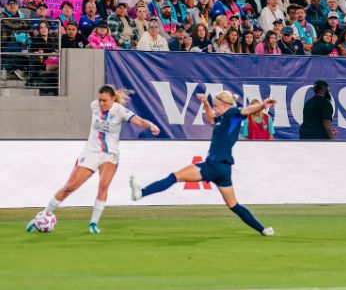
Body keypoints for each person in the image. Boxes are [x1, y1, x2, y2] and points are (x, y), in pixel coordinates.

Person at [130, 92, 276, 237]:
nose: (214, 108)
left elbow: (246, 110)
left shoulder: (233, 113)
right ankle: (263, 230)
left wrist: (263, 105)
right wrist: (205, 104)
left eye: (216, 106)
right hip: (223, 169)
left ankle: (141, 193)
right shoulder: (223, 118)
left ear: (225, 105)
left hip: (214, 165)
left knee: (175, 176)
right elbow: (211, 119)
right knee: (234, 205)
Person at [26, 85, 160, 234]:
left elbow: (139, 121)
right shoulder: (94, 106)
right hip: (91, 152)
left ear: (113, 99)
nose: (101, 103)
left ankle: (93, 224)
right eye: (100, 100)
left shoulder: (120, 111)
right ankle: (43, 216)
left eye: (105, 101)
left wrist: (151, 126)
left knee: (103, 185)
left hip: (110, 154)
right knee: (70, 186)